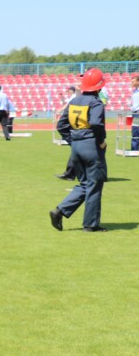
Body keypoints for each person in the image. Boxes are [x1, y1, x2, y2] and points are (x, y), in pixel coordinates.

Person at [49, 68, 108, 233]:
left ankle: (60, 211)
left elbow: (61, 126)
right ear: (99, 87)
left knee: (85, 183)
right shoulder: (96, 103)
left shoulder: (74, 101)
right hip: (91, 147)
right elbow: (96, 124)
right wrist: (100, 141)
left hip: (76, 147)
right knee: (95, 185)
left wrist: (73, 141)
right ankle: (91, 225)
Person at [56, 86, 78, 180]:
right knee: (77, 150)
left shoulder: (75, 98)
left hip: (77, 127)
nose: (67, 92)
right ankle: (70, 174)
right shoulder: (75, 98)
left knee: (77, 149)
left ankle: (70, 174)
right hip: (79, 129)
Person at [130, 75, 139, 151]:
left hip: (138, 113)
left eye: (133, 82)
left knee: (136, 130)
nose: (132, 83)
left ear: (138, 82)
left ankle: (135, 149)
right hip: (135, 113)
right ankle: (135, 149)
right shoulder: (134, 91)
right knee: (135, 131)